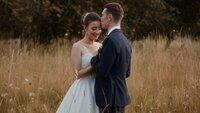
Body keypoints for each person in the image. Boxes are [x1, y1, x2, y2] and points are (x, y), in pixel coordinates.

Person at [56, 12, 102, 113]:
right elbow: (78, 74)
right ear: (85, 28)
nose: (97, 32)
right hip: (84, 89)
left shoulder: (100, 45)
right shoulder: (77, 46)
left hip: (99, 87)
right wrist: (95, 65)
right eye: (93, 29)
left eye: (99, 28)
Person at [90, 2, 132, 113]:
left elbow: (102, 71)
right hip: (119, 97)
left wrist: (93, 59)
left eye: (102, 15)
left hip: (110, 98)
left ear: (110, 18)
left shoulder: (110, 40)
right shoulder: (125, 40)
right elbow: (127, 72)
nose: (101, 18)